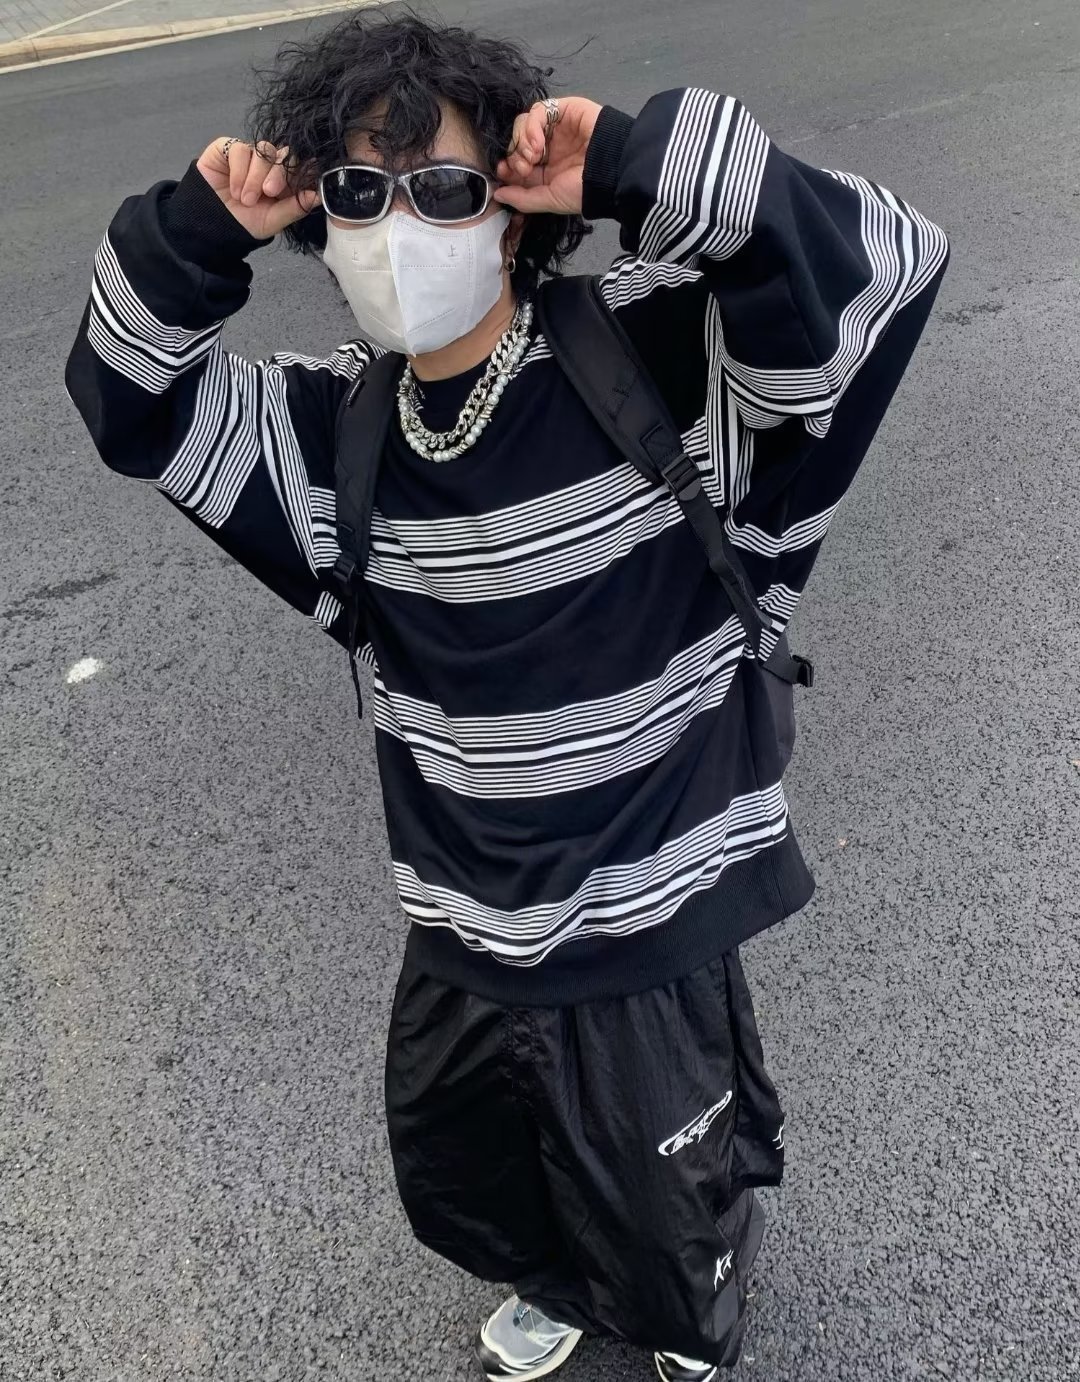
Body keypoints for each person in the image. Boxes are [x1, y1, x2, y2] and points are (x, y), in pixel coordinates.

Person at [65, 9, 948, 1379]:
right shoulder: (332, 437)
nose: (397, 226)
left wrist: (639, 161)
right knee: (474, 1162)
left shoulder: (656, 362)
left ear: (510, 209)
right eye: (359, 192)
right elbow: (131, 404)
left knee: (665, 1193)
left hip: (650, 904)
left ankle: (687, 1292)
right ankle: (558, 1274)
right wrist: (196, 228)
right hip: (463, 917)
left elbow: (879, 266)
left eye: (442, 186)